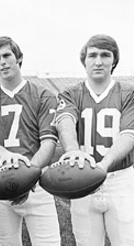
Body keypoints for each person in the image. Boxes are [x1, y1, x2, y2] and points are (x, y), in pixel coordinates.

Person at [0, 36, 61, 246]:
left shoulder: (44, 95)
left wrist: (25, 179)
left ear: (19, 58)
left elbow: (48, 143)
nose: (2, 62)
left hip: (38, 184)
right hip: (1, 183)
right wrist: (3, 154)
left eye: (6, 56)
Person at [55, 34, 134, 246]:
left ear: (114, 60)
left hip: (120, 180)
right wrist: (72, 150)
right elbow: (65, 121)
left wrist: (103, 166)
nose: (98, 61)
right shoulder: (70, 93)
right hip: (83, 176)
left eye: (105, 55)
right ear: (84, 61)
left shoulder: (129, 92)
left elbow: (129, 133)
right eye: (92, 55)